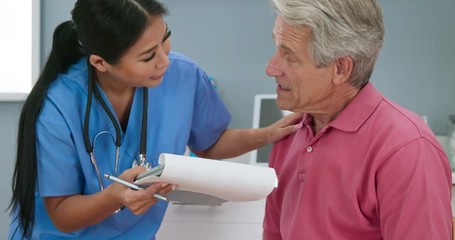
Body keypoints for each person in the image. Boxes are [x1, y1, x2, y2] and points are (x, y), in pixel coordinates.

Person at [7, 0, 302, 239]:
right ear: (100, 62)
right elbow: (62, 215)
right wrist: (115, 197)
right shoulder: (59, 104)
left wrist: (265, 135)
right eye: (148, 56)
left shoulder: (183, 76)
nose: (164, 60)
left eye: (165, 40)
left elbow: (211, 143)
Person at [262, 0, 452, 239]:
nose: (271, 68)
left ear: (340, 69)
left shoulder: (407, 148)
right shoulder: (287, 136)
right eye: (277, 48)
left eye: (289, 55)